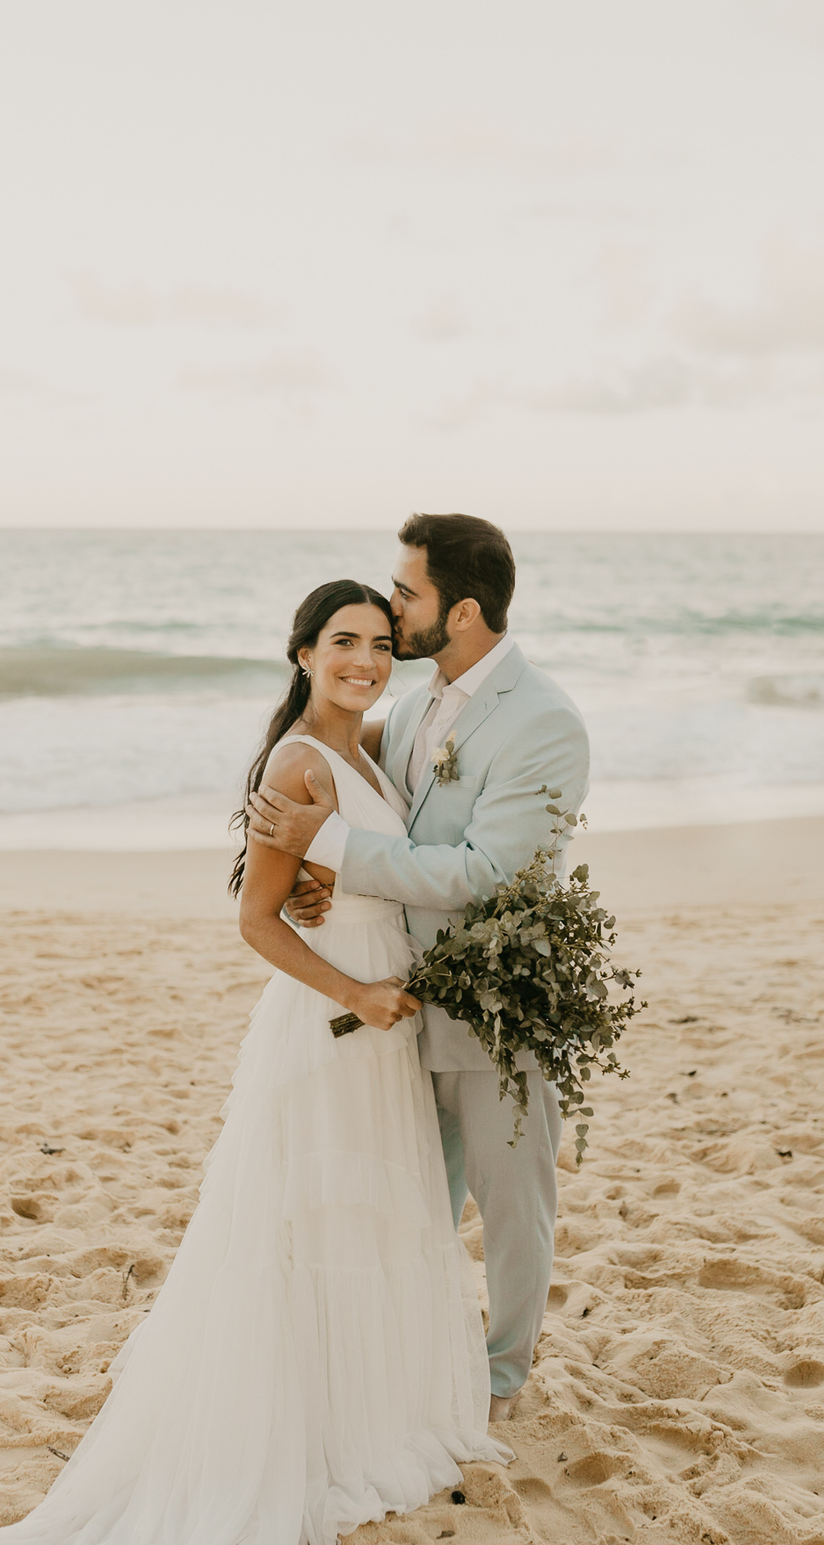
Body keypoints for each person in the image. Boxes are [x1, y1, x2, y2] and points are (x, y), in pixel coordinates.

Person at [0, 579, 506, 1545]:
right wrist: (357, 990)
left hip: (382, 1015)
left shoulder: (371, 749)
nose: (366, 659)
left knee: (371, 1217)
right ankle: (294, 1436)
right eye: (343, 642)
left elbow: (357, 866)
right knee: (299, 1226)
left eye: (381, 644)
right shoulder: (298, 762)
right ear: (302, 652)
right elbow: (254, 919)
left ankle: (359, 1412)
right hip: (334, 1023)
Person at [249, 516, 589, 1422]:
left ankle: (502, 1376)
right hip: (399, 1000)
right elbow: (364, 800)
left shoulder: (543, 720)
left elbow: (488, 873)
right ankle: (414, 1356)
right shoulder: (406, 711)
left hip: (495, 1001)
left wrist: (332, 848)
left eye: (406, 592)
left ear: (462, 610)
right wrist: (320, 883)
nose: (392, 607)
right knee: (411, 1193)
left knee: (512, 1201)